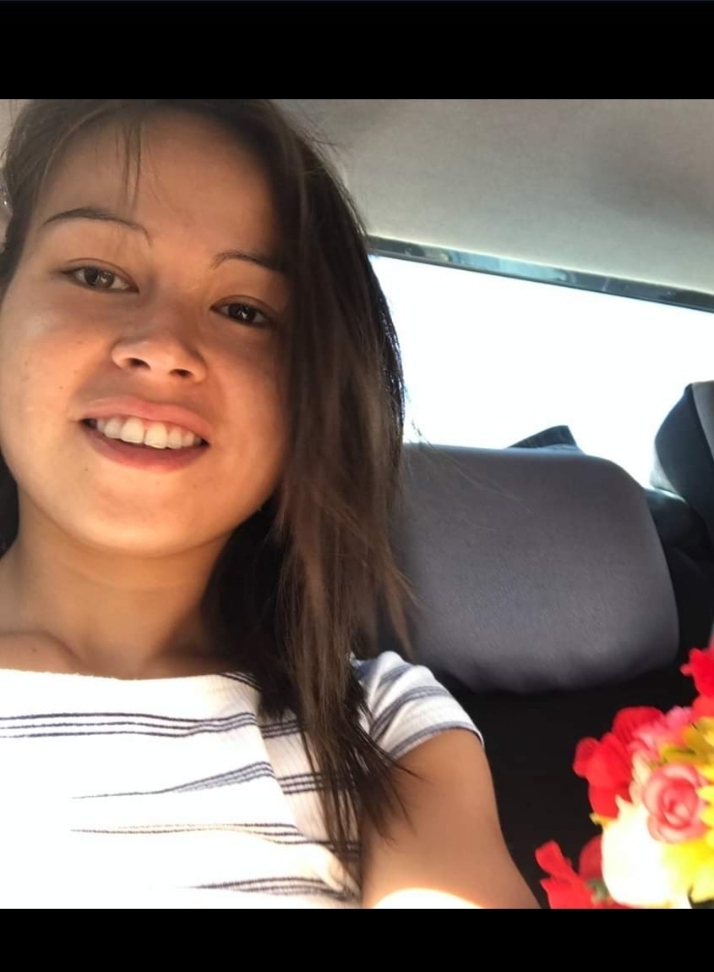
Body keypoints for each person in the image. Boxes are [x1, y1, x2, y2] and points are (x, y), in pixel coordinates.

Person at [0, 99, 537, 909]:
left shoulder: (385, 734)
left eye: (245, 312)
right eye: (97, 275)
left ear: (311, 400)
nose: (163, 348)